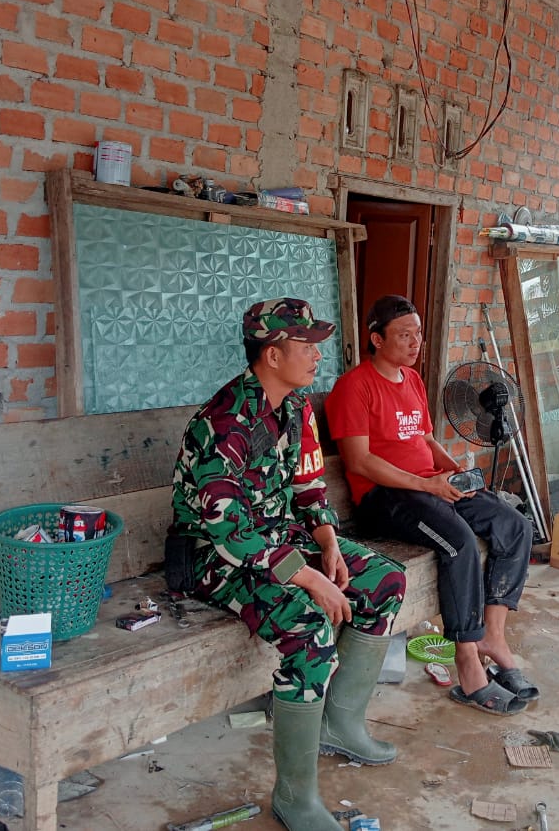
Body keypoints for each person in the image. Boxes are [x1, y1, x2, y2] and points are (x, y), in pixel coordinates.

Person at [170, 297, 406, 831]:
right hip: (215, 558)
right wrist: (310, 578)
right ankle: (295, 798)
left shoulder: (295, 406)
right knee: (310, 627)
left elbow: (307, 485)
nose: (317, 355)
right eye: (306, 345)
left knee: (386, 580)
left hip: (280, 538)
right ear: (272, 355)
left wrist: (328, 544)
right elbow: (229, 532)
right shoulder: (222, 422)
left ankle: (340, 726)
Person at [326, 294, 538, 716]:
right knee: (458, 541)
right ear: (376, 339)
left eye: (418, 333)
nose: (415, 342)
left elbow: (424, 440)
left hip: (429, 488)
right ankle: (467, 660)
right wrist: (429, 486)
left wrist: (453, 473)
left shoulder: (412, 381)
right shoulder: (354, 386)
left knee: (514, 526)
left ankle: (493, 637)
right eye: (404, 335)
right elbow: (360, 461)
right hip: (384, 498)